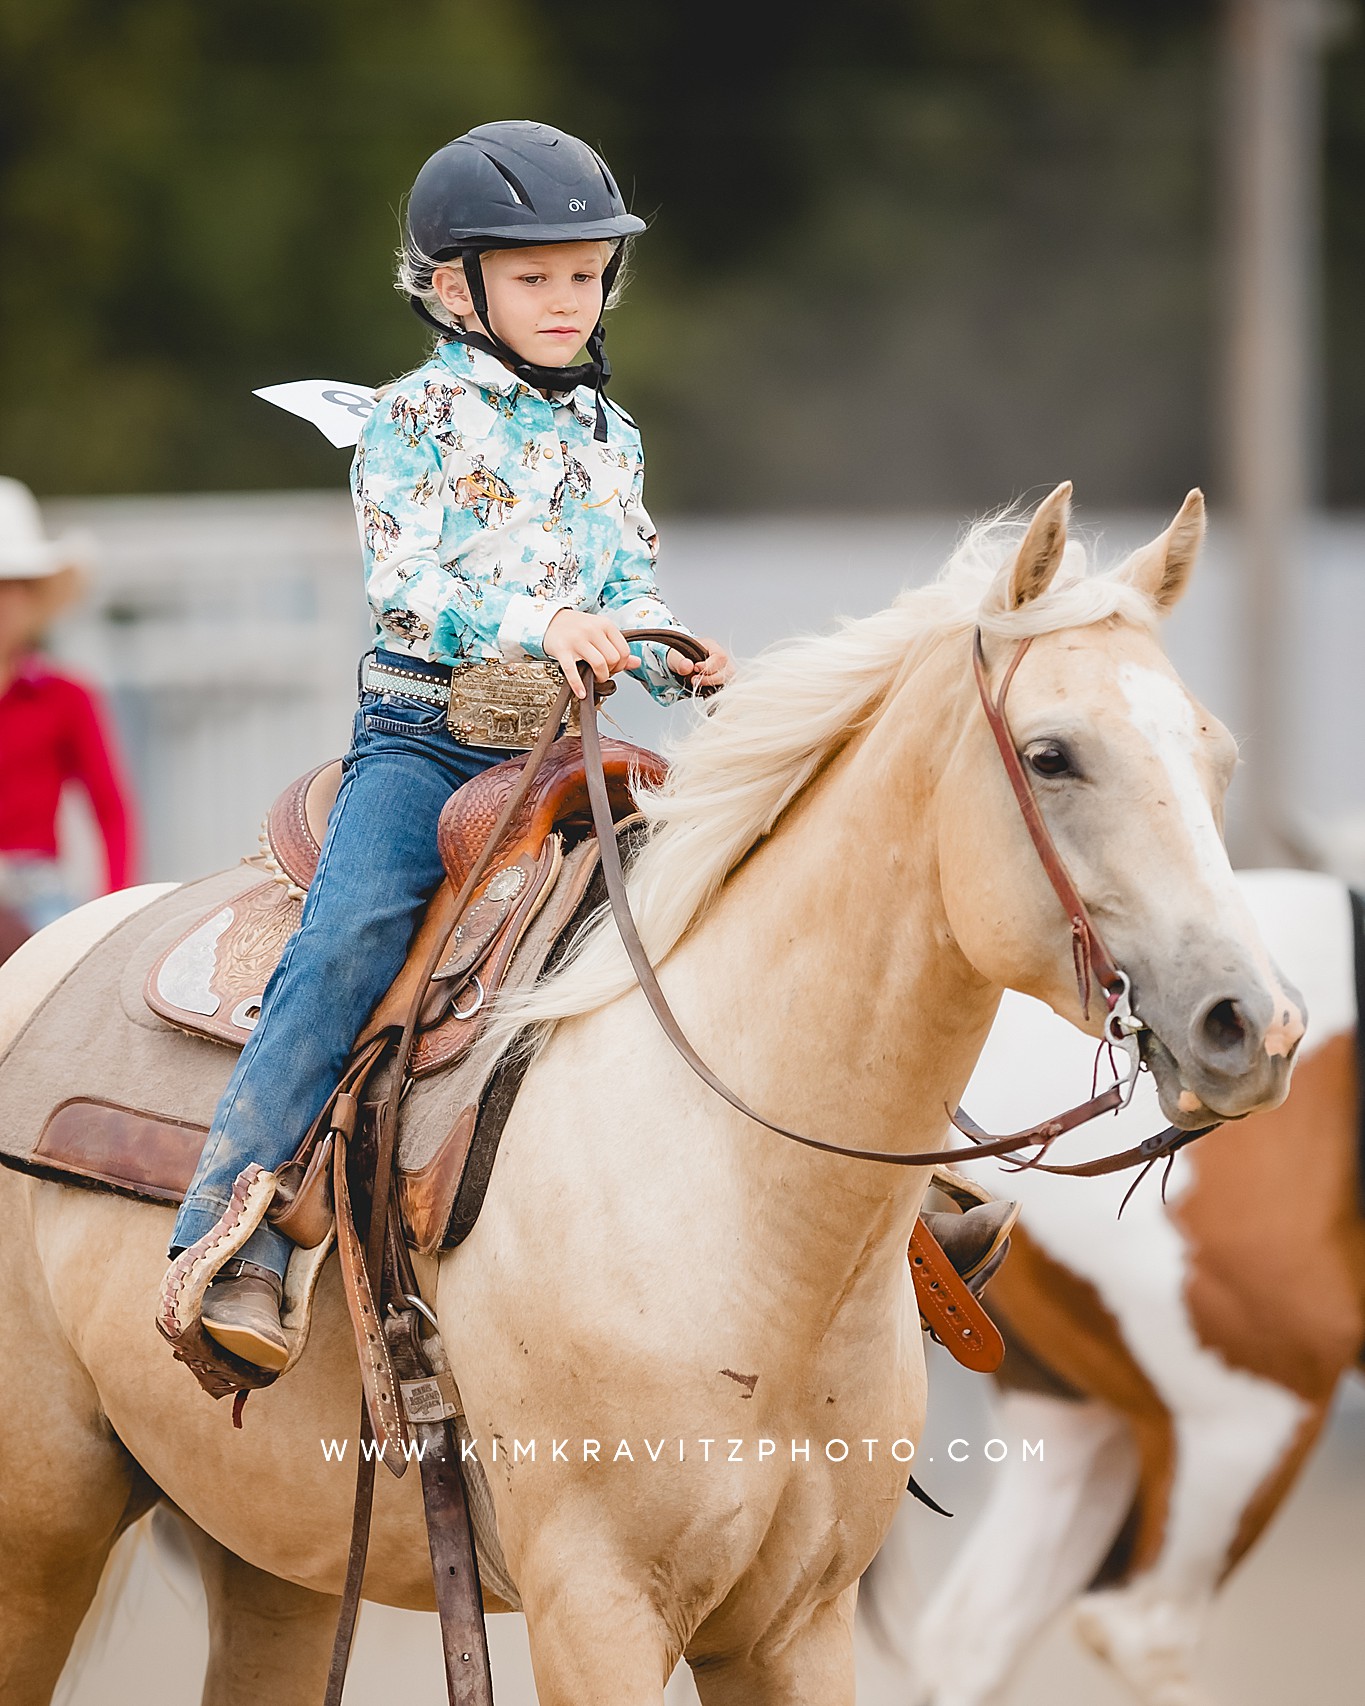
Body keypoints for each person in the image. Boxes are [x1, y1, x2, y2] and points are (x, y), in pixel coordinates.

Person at [165, 120, 732, 1370]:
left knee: (734, 890)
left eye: (585, 275)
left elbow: (628, 581)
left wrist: (667, 645)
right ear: (449, 285)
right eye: (534, 277)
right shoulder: (408, 419)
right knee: (349, 936)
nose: (567, 300)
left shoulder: (611, 433)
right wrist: (549, 620)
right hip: (426, 738)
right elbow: (409, 580)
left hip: (570, 741)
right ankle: (229, 1225)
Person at [0, 476, 136, 943]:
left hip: (38, 891)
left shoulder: (67, 697)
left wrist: (115, 910)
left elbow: (112, 810)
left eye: (12, 586)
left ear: (32, 597)